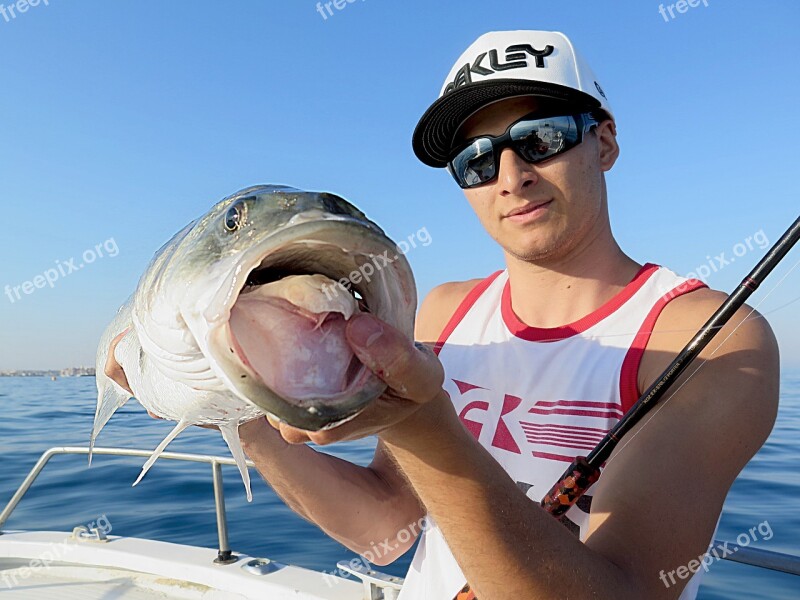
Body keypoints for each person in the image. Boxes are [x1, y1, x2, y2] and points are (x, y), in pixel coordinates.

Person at [106, 30, 779, 600]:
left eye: (541, 137)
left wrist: (428, 429)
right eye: (475, 158)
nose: (510, 175)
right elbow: (382, 526)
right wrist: (234, 405)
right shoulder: (449, 312)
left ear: (603, 140)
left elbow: (627, 588)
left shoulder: (710, 341)